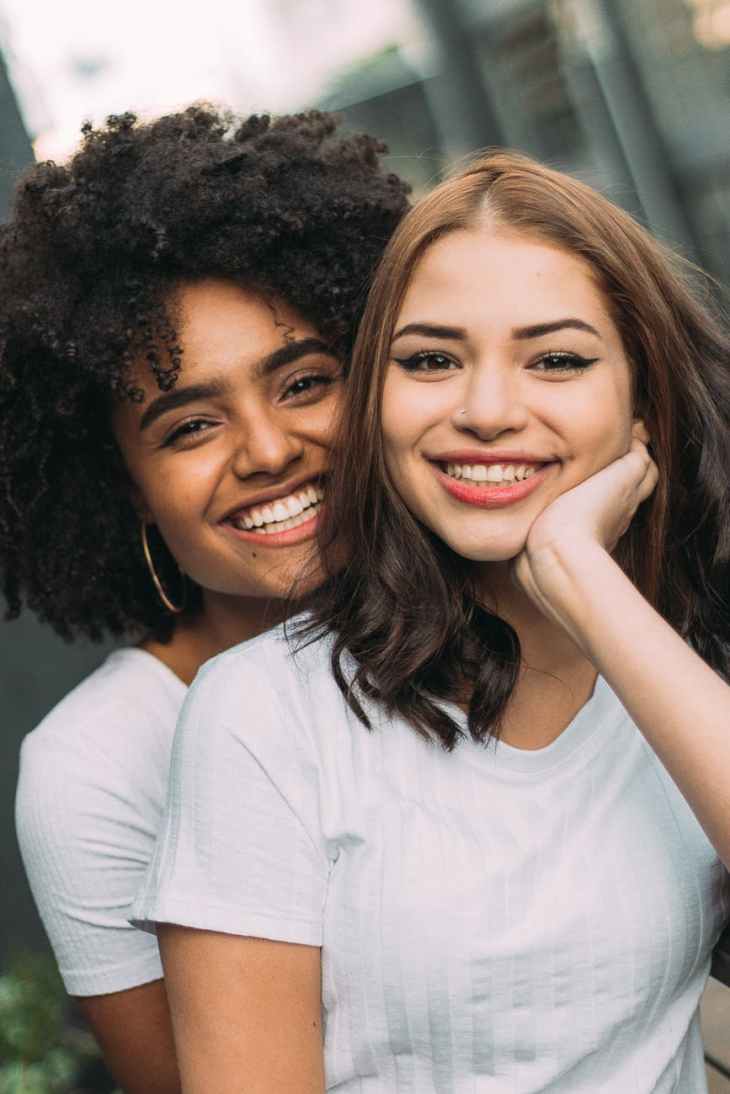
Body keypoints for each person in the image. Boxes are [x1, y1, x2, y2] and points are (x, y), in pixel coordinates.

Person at [133, 149, 730, 1092]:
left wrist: (584, 575)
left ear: (646, 405)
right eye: (432, 360)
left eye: (558, 359)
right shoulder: (261, 714)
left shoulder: (689, 651)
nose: (486, 410)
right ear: (378, 396)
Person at [5, 105, 410, 1094]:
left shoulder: (509, 618)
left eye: (305, 380)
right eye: (190, 426)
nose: (268, 450)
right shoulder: (97, 766)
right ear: (124, 484)